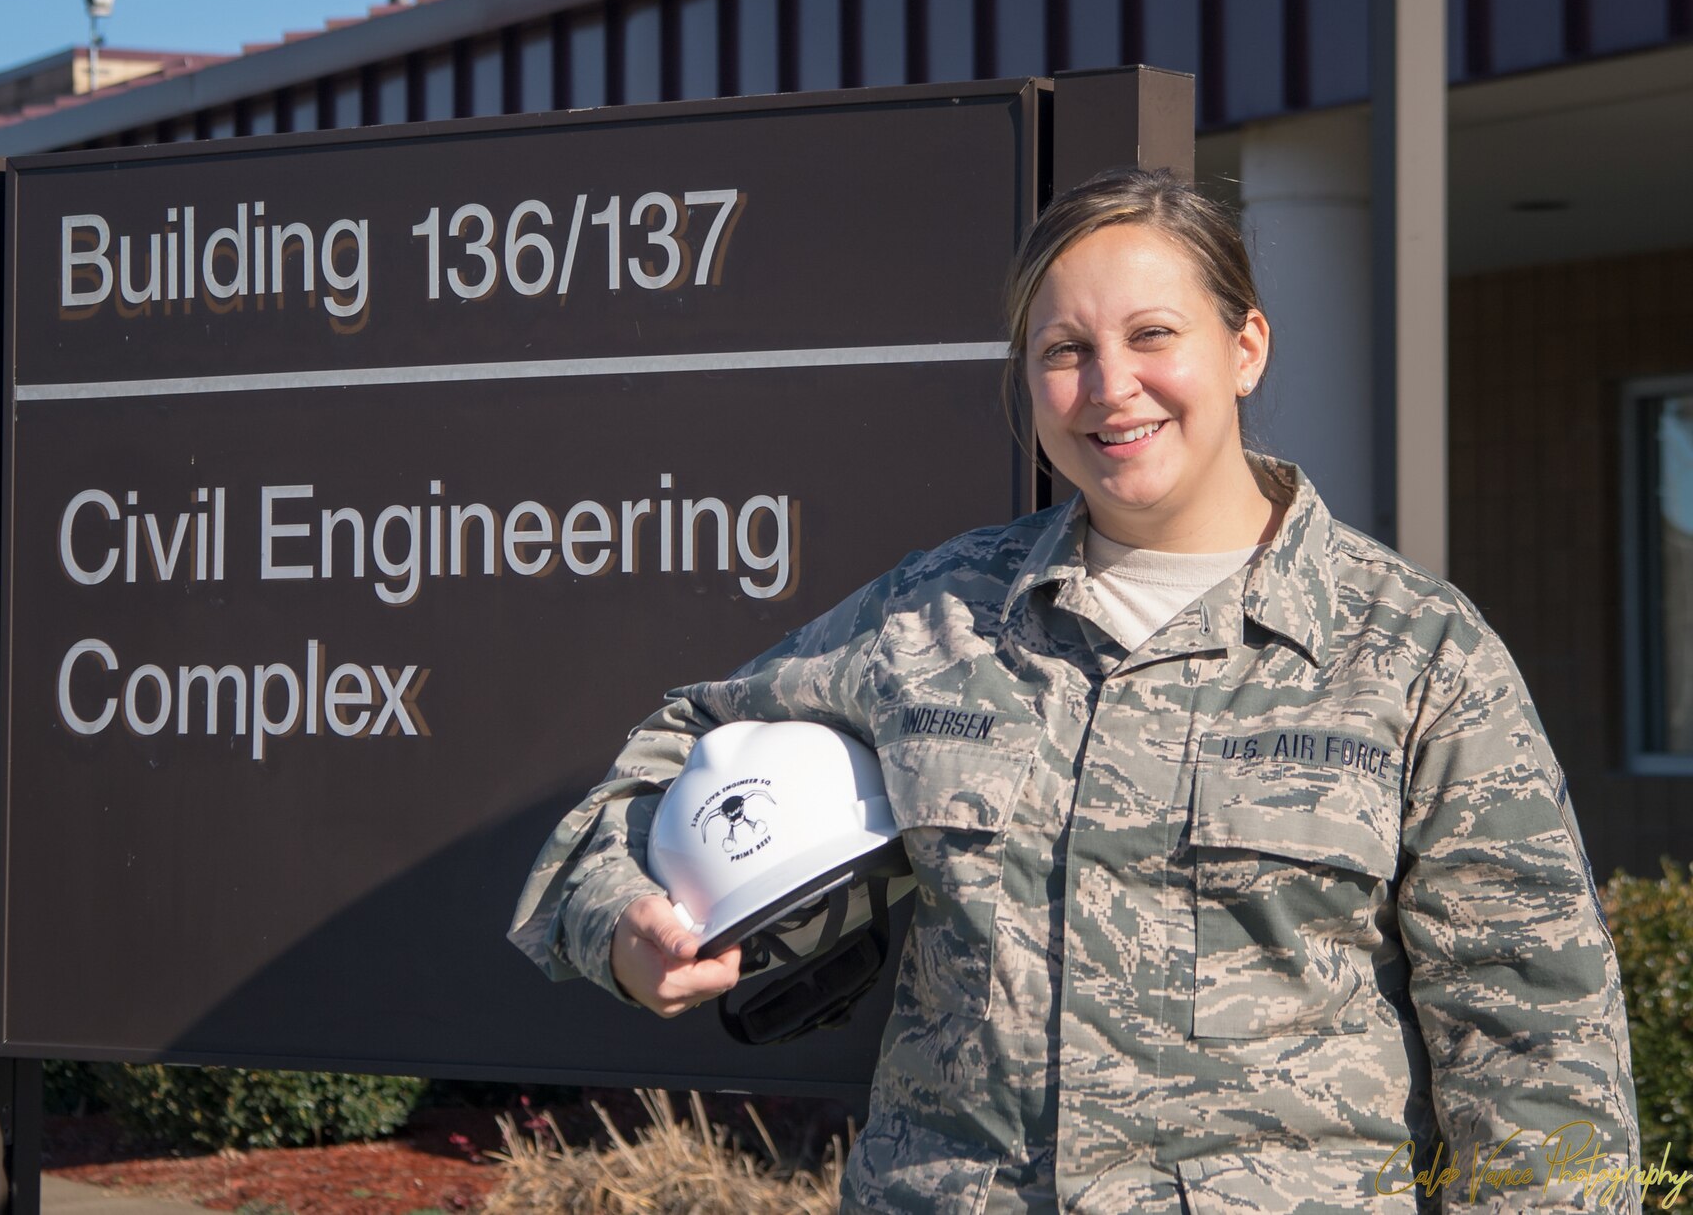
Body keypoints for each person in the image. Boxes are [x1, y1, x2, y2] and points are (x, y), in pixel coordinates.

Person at [508, 167, 1641, 1213]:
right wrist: (624, 926)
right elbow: (673, 753)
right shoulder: (933, 619)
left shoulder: (1411, 652)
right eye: (1063, 349)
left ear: (1244, 346)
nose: (1109, 387)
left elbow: (1535, 1039)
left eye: (1154, 334)